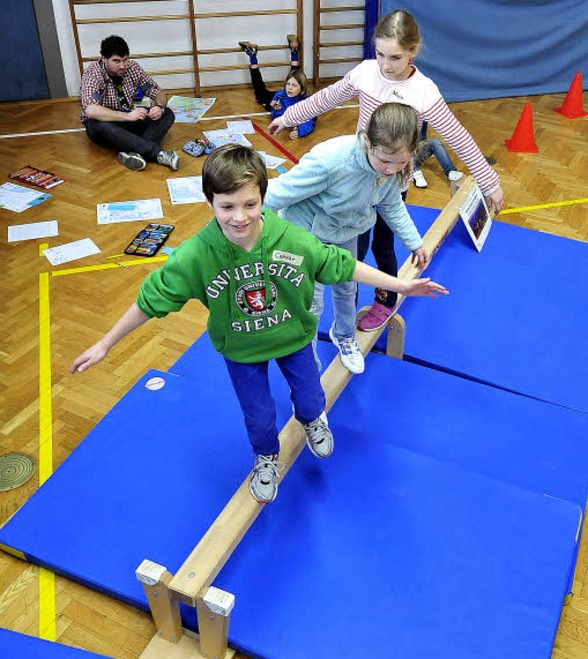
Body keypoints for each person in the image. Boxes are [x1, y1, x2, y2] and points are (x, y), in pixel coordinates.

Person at [70, 144, 447, 504]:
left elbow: (343, 265)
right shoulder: (195, 256)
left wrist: (400, 285)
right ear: (209, 202)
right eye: (227, 206)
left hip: (294, 338)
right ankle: (266, 458)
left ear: (264, 199)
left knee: (312, 397)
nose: (240, 216)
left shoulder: (292, 239)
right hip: (242, 350)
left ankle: (314, 421)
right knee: (259, 416)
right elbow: (150, 301)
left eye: (250, 204)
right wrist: (105, 343)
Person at [268, 10, 505, 331]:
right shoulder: (366, 73)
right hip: (356, 174)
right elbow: (327, 97)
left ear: (413, 51)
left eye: (395, 57)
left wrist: (489, 182)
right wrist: (290, 116)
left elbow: (458, 136)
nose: (386, 64)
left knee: (382, 243)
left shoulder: (424, 90)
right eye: (380, 54)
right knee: (353, 248)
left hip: (392, 180)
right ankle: (346, 315)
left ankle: (385, 299)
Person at [265, 103, 430, 375]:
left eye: (400, 162)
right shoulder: (330, 161)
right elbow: (277, 193)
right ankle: (310, 368)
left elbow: (391, 204)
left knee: (347, 288)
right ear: (367, 141)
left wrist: (414, 241)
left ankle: (343, 335)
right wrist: (235, 217)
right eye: (385, 161)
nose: (391, 170)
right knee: (312, 302)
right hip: (307, 234)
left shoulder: (395, 167)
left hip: (345, 230)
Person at [80, 35, 179, 172]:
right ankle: (157, 154)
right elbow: (91, 110)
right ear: (104, 59)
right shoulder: (92, 74)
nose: (122, 66)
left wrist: (159, 107)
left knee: (167, 113)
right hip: (104, 123)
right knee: (98, 124)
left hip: (127, 117)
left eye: (125, 60)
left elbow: (158, 92)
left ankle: (134, 152)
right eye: (116, 61)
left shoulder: (132, 68)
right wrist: (127, 116)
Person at [238, 34, 315, 140]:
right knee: (260, 96)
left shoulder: (306, 101)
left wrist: (299, 132)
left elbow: (310, 121)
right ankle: (253, 56)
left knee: (295, 76)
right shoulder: (280, 96)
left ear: (302, 88)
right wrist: (275, 109)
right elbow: (276, 117)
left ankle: (294, 51)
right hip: (278, 99)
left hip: (290, 101)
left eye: (294, 86)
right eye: (288, 85)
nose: (290, 88)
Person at [412, 121, 463, 188]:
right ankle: (415, 171)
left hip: (417, 148)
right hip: (404, 154)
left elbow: (423, 137)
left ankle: (450, 171)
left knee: (435, 142)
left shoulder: (422, 116)